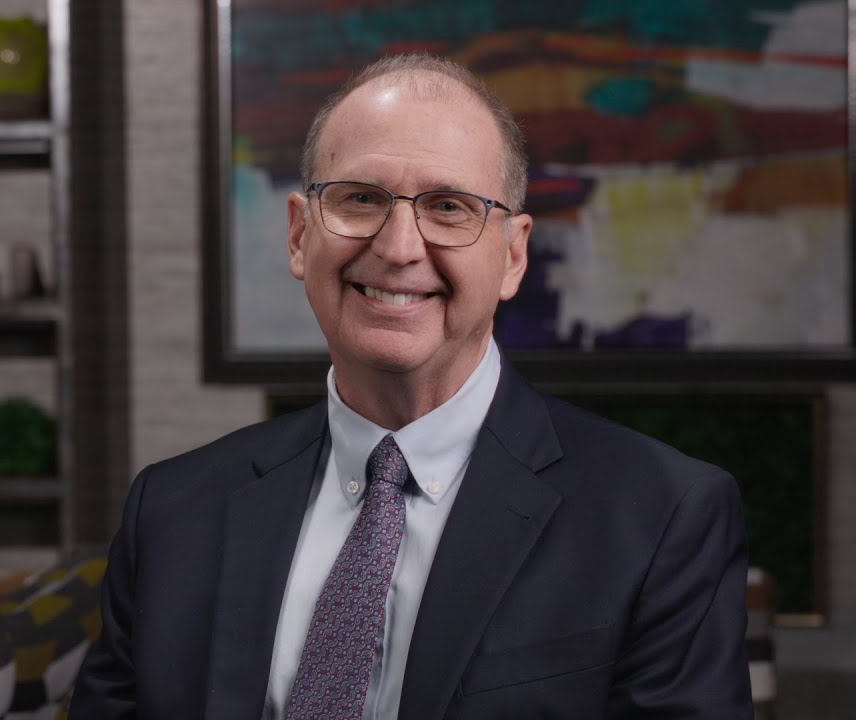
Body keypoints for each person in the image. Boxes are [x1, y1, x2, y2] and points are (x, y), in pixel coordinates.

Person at [71, 53, 751, 719]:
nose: (399, 248)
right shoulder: (172, 511)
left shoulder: (663, 517)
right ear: (300, 235)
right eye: (361, 199)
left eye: (449, 207)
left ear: (513, 255)